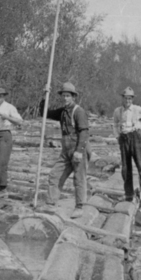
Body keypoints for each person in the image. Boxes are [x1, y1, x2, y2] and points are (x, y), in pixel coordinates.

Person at [40, 82, 89, 218]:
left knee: (79, 178)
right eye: (64, 95)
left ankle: (79, 207)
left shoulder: (78, 111)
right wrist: (45, 97)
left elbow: (84, 132)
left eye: (68, 96)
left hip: (78, 147)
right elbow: (45, 113)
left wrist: (79, 151)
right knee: (54, 175)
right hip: (65, 150)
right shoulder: (62, 111)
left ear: (73, 97)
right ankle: (51, 203)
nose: (65, 98)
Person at [113, 87, 141, 201]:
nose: (128, 101)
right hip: (123, 138)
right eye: (126, 98)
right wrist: (117, 136)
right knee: (126, 168)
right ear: (123, 98)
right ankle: (129, 193)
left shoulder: (138, 109)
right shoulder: (118, 111)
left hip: (135, 137)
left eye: (130, 99)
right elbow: (115, 124)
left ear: (132, 99)